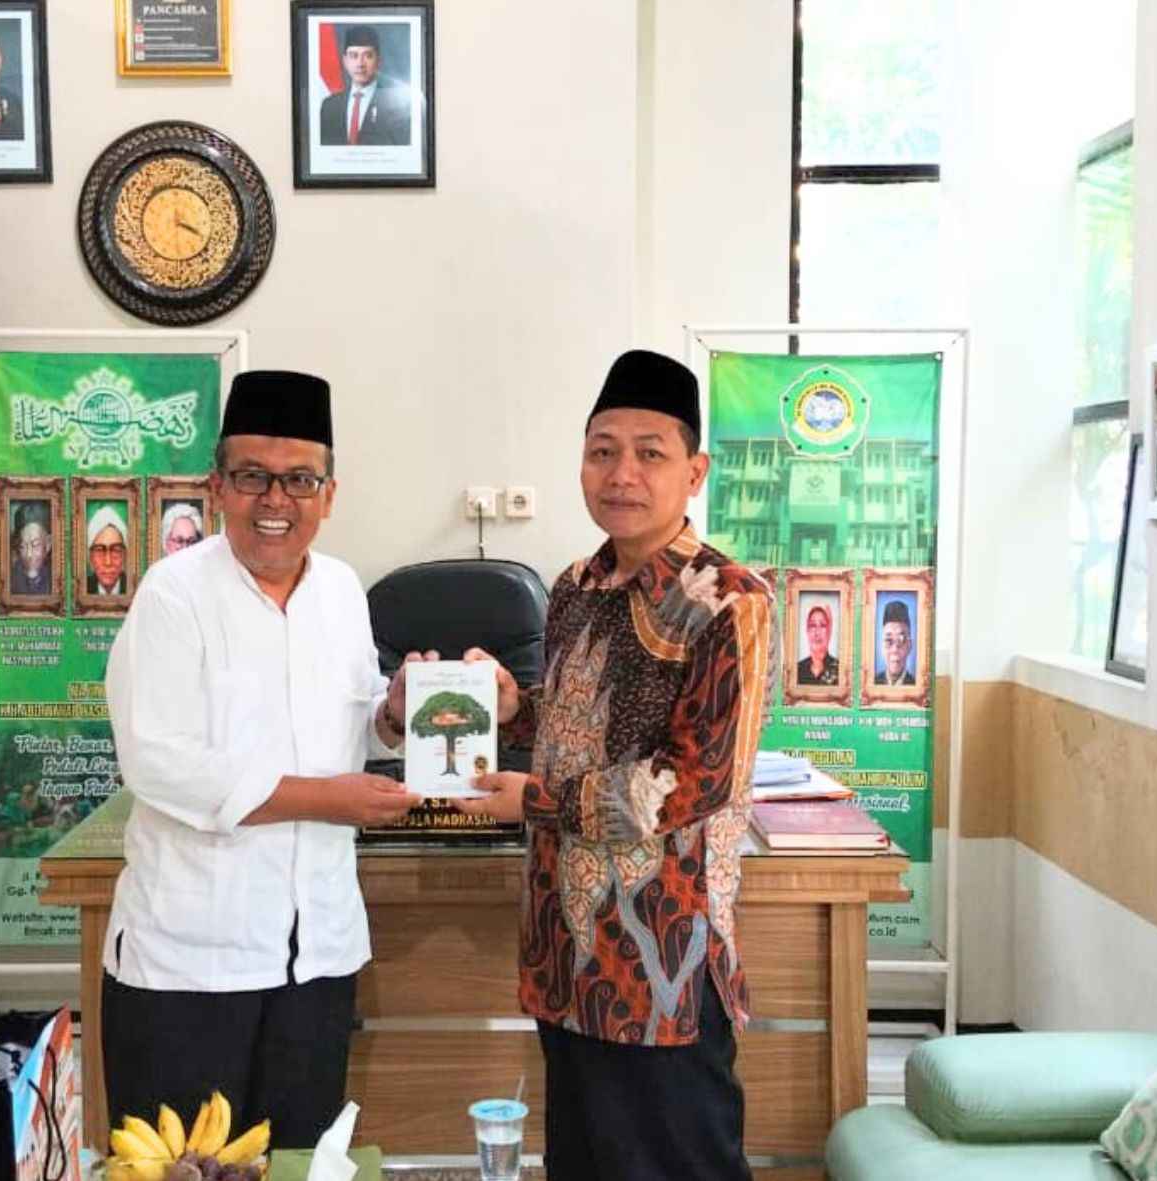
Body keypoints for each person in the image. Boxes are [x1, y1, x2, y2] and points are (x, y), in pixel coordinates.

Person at [456, 349, 772, 1181]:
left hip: (660, 967)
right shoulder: (576, 586)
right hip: (565, 956)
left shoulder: (728, 599)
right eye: (603, 450)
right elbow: (583, 724)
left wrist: (534, 800)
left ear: (694, 471)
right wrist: (514, 707)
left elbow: (690, 781)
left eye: (649, 452)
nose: (622, 472)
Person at [101, 370, 428, 1151]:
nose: (275, 500)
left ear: (329, 494)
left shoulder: (341, 590)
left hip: (316, 955)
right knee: (180, 1168)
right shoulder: (173, 594)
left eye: (299, 479)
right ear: (218, 486)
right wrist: (326, 800)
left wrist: (393, 710)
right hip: (190, 963)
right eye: (253, 476)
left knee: (299, 1163)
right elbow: (157, 759)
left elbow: (354, 722)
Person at [318, 25, 412, 147]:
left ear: (378, 61)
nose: (360, 64)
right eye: (354, 56)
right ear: (345, 61)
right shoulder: (329, 106)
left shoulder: (397, 106)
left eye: (368, 56)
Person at [8, 502, 52, 596]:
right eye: (23, 546)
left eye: (35, 545)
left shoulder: (55, 576)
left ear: (48, 544)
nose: (29, 554)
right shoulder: (10, 578)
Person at [86, 506, 129, 596]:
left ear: (124, 556)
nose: (108, 562)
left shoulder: (135, 588)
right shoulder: (83, 589)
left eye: (116, 551)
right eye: (99, 551)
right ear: (90, 558)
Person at [796, 601, 839, 685]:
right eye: (812, 625)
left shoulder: (839, 669)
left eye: (822, 625)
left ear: (829, 631)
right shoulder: (798, 669)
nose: (817, 632)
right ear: (807, 630)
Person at [875, 599, 916, 686]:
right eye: (888, 641)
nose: (895, 650)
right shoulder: (874, 682)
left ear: (909, 645)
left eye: (901, 641)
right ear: (882, 646)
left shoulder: (916, 684)